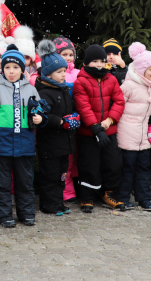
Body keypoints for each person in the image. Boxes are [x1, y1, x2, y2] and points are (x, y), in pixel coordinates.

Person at [0, 44, 45, 228]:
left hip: (24, 144)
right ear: (2, 69)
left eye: (15, 67)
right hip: (2, 144)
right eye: (7, 67)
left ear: (22, 69)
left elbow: (40, 111)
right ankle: (2, 215)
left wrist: (40, 118)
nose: (11, 71)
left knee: (25, 182)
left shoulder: (31, 89)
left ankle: (26, 213)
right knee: (2, 183)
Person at [73, 44, 125, 213]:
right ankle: (86, 196)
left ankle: (108, 194)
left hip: (109, 130)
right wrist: (96, 127)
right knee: (90, 164)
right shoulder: (80, 81)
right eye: (94, 61)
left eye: (101, 61)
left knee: (113, 163)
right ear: (87, 62)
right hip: (89, 132)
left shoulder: (111, 78)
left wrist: (110, 120)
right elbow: (83, 106)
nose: (99, 65)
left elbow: (119, 101)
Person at [35, 40, 79, 216]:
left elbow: (69, 111)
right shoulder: (44, 92)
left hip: (64, 142)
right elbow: (43, 117)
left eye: (64, 71)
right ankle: (48, 204)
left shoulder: (63, 90)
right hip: (50, 144)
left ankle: (58, 202)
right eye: (59, 72)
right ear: (48, 74)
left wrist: (74, 117)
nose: (63, 75)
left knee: (61, 175)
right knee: (50, 176)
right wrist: (61, 122)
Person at [116, 42, 151, 211]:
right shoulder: (128, 85)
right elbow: (118, 106)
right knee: (128, 167)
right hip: (127, 134)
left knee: (144, 167)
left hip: (143, 136)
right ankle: (123, 197)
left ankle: (144, 199)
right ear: (141, 70)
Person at [53, 35, 80, 202]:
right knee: (65, 160)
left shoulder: (78, 73)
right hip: (60, 121)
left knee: (75, 157)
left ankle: (75, 188)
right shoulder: (55, 74)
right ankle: (66, 191)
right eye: (65, 54)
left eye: (71, 54)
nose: (69, 58)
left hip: (77, 120)